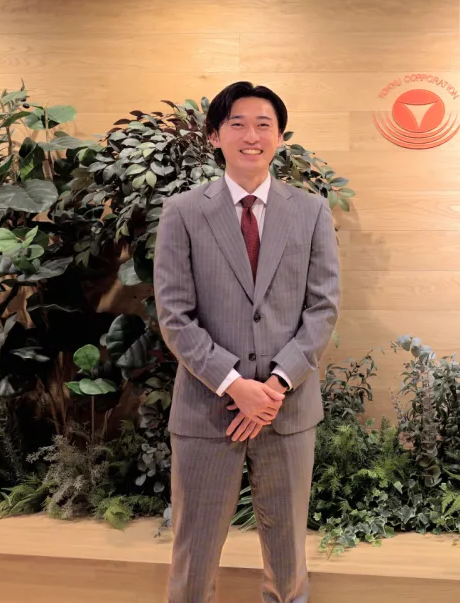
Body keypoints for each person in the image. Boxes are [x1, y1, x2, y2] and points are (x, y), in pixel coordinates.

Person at [154, 81, 340, 603]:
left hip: (287, 409)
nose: (251, 135)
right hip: (206, 409)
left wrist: (274, 387)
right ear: (215, 136)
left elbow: (322, 308)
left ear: (280, 137)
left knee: (288, 553)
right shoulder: (183, 212)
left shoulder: (311, 211)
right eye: (237, 124)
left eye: (264, 125)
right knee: (194, 553)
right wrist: (236, 385)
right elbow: (175, 315)